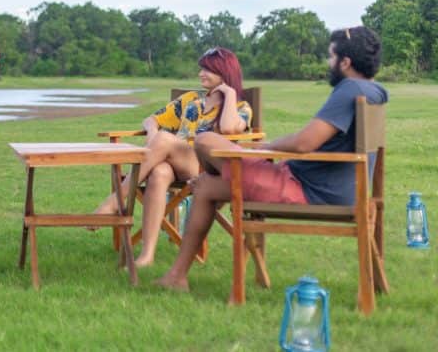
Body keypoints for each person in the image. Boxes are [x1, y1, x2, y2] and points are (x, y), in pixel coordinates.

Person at [156, 26, 387, 292]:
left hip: (307, 190)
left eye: (332, 57)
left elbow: (304, 143)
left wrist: (262, 149)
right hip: (333, 188)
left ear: (346, 62)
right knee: (208, 186)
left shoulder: (348, 89)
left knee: (206, 141)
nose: (329, 63)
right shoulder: (373, 91)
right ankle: (176, 277)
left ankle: (220, 176)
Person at [92, 47, 252, 266]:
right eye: (201, 69)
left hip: (206, 169)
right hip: (173, 161)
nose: (201, 74)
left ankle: (115, 200)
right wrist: (152, 134)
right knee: (159, 172)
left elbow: (228, 129)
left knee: (165, 139)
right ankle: (147, 255)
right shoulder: (190, 100)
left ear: (225, 73)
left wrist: (230, 93)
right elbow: (152, 119)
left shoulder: (241, 107)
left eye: (208, 70)